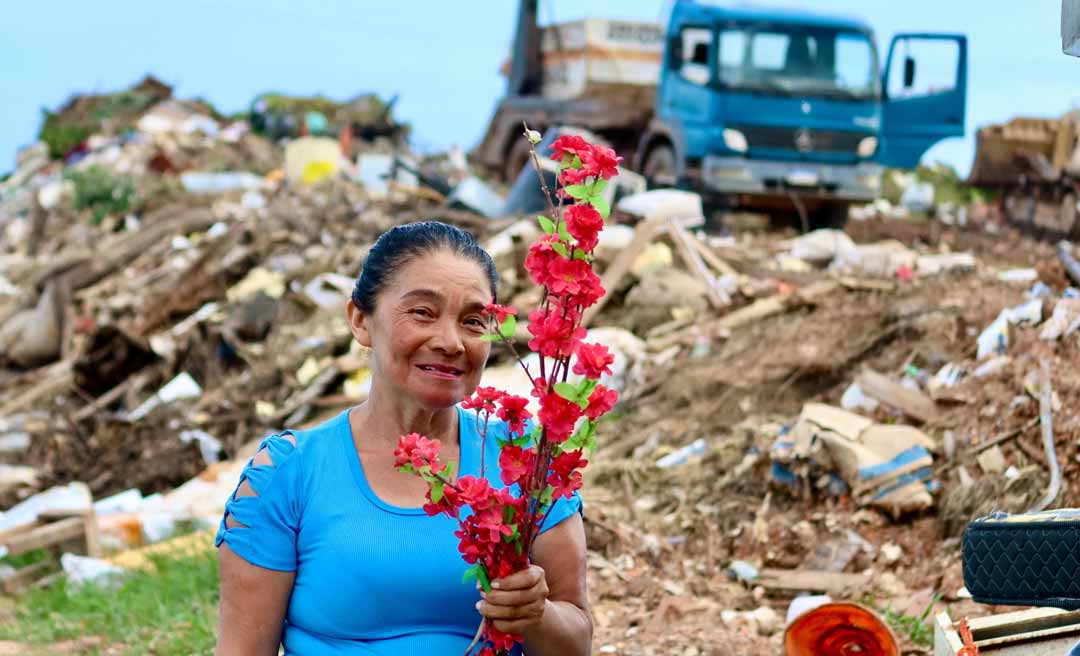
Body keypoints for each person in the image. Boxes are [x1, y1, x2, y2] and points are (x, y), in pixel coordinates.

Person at [214, 221, 592, 655]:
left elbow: (577, 642)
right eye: (422, 313)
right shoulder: (287, 475)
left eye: (473, 321)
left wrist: (536, 614)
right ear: (360, 320)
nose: (451, 342)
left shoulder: (523, 459)